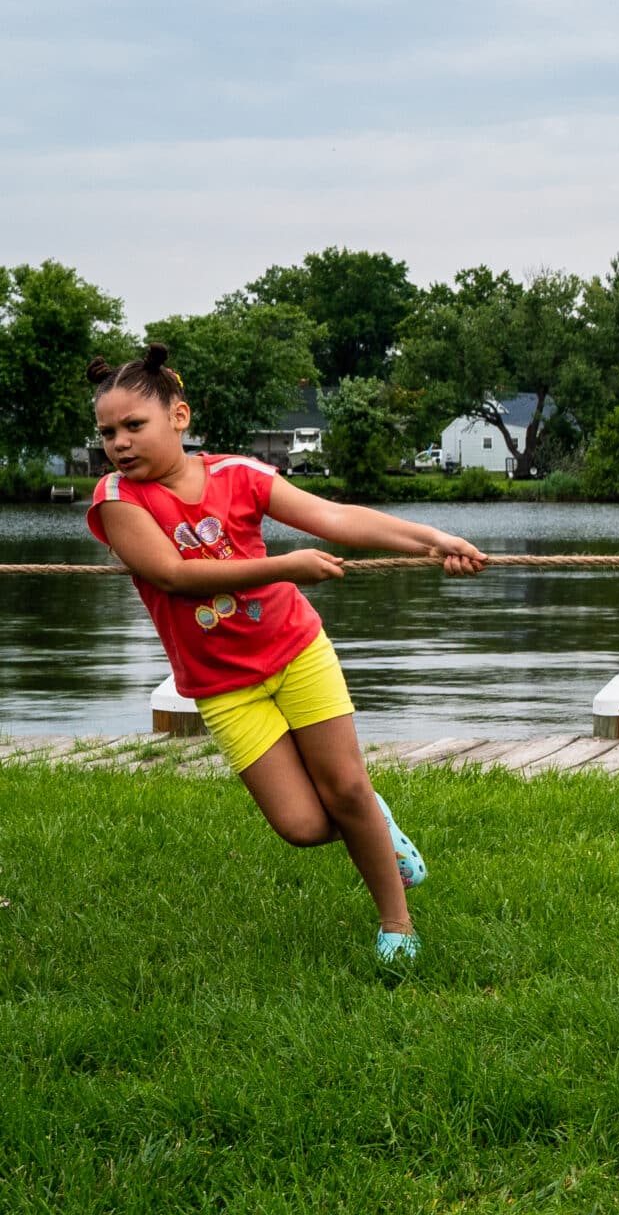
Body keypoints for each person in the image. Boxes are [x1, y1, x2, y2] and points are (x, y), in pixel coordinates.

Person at [85, 345, 487, 966]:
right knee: (301, 826)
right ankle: (376, 821)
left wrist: (431, 541)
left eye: (134, 426)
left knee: (346, 786)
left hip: (296, 650)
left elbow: (333, 517)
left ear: (179, 417)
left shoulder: (238, 475)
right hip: (222, 685)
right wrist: (288, 566)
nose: (120, 443)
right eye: (108, 432)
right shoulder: (117, 499)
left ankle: (397, 927)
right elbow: (170, 574)